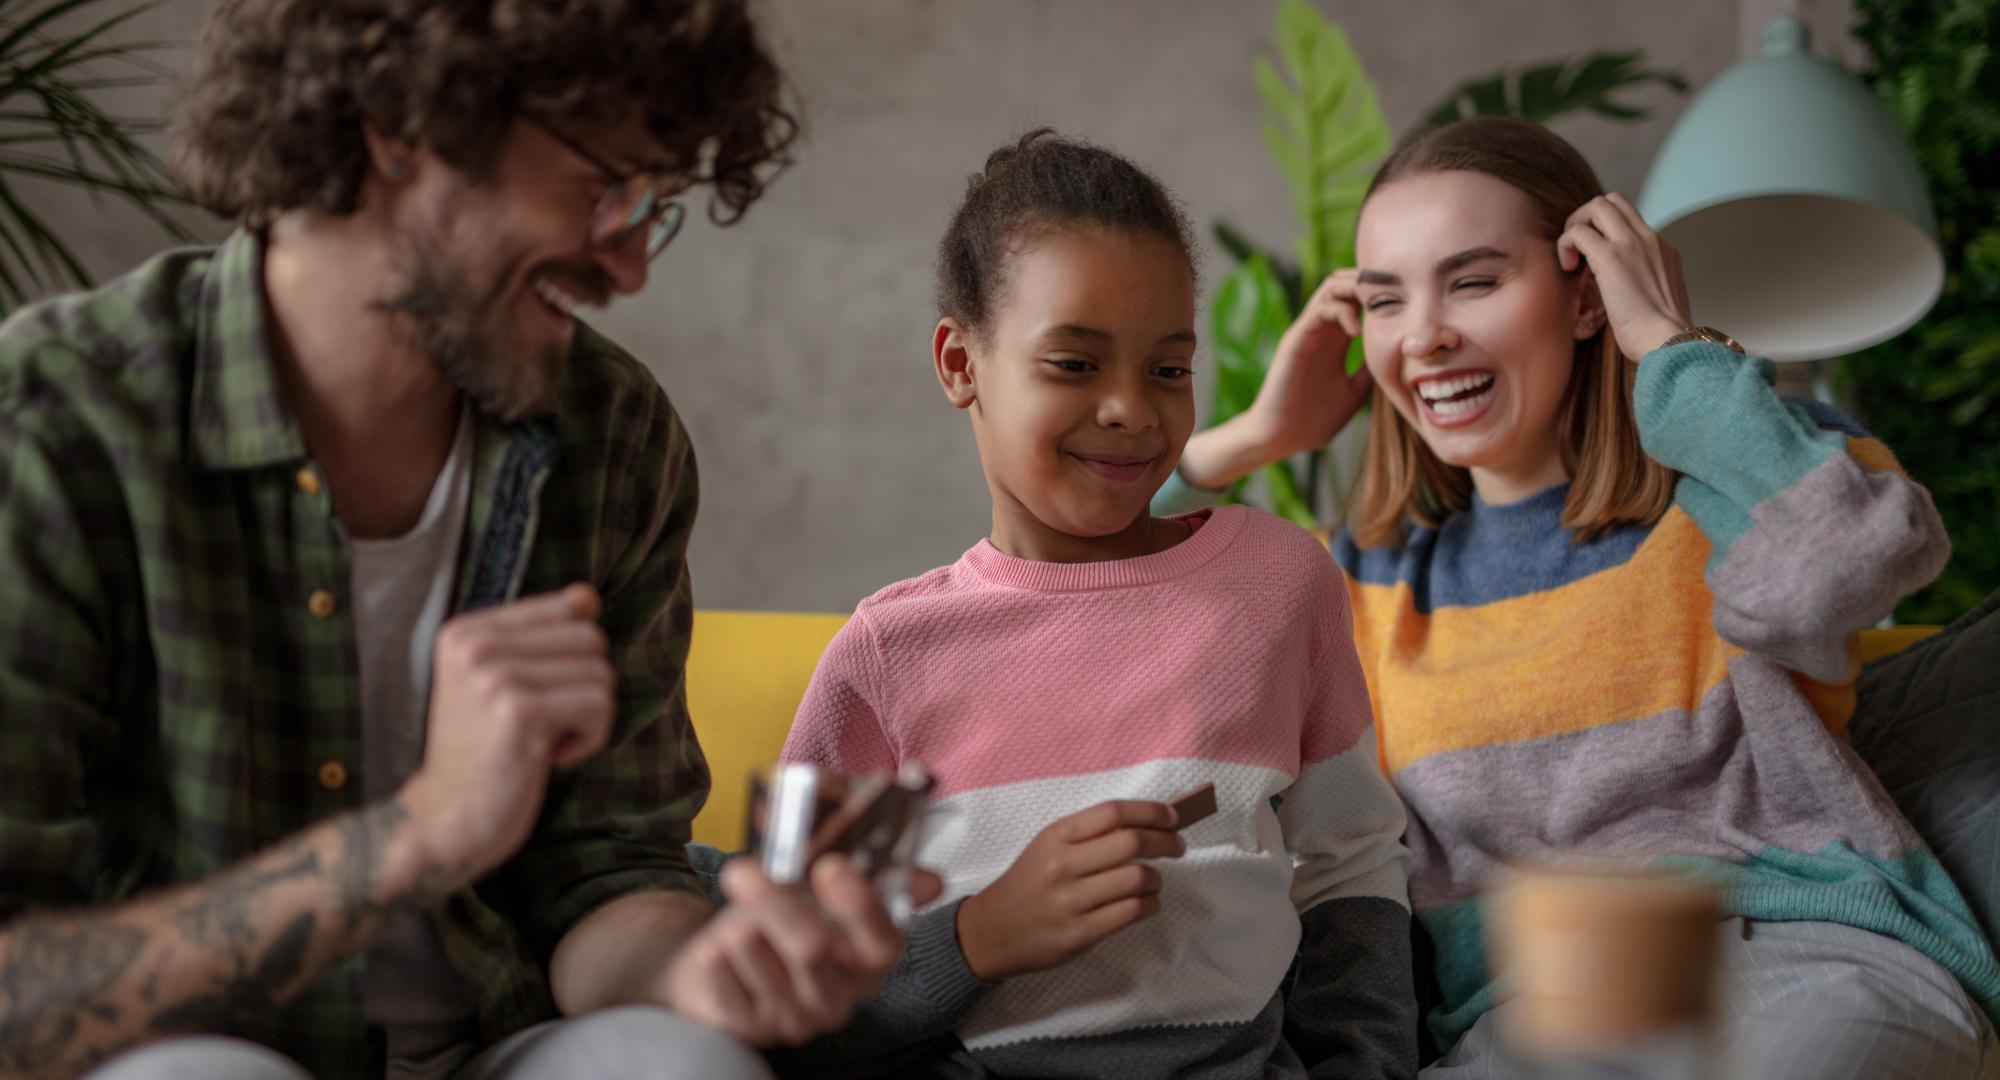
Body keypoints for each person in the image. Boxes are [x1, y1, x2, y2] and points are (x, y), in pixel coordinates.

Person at [0, 3, 929, 1078]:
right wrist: (410, 842)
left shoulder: (609, 434)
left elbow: (608, 869)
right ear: (401, 124)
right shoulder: (56, 425)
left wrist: (699, 975)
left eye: (655, 207)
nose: (629, 267)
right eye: (605, 190)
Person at [1156, 115, 2000, 1078]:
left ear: (1586, 296)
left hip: (1797, 962)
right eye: (1386, 302)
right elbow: (1095, 584)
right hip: (1527, 1022)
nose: (1426, 336)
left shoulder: (1730, 480)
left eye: (1473, 281)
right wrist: (1253, 438)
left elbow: (1846, 562)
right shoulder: (1362, 584)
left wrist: (1672, 348)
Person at [774, 130, 1416, 1079]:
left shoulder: (1281, 585)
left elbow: (1351, 867)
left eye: (1168, 369)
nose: (1132, 409)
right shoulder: (884, 655)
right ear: (960, 364)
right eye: (1075, 364)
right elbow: (779, 983)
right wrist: (978, 938)